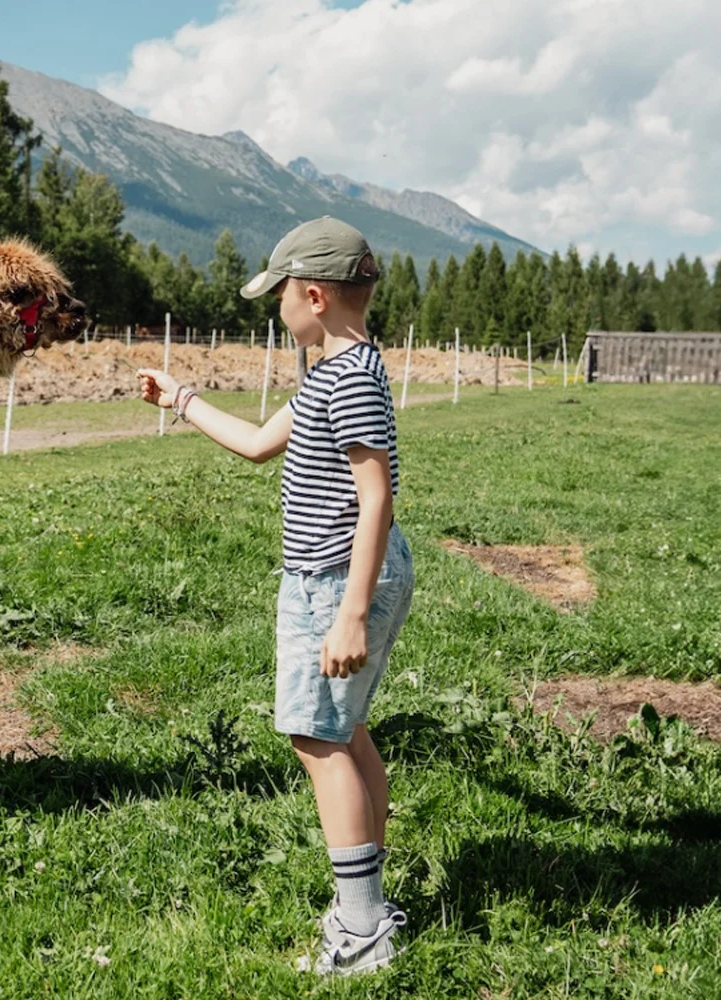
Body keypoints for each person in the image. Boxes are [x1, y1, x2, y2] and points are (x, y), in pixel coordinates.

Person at [137, 217, 414, 975]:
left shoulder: (347, 379)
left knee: (317, 739)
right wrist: (182, 399)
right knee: (346, 732)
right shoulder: (337, 370)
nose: (278, 308)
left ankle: (361, 931)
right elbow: (262, 444)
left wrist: (350, 613)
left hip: (337, 580)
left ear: (313, 297)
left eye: (280, 295)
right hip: (335, 576)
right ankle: (370, 908)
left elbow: (375, 497)